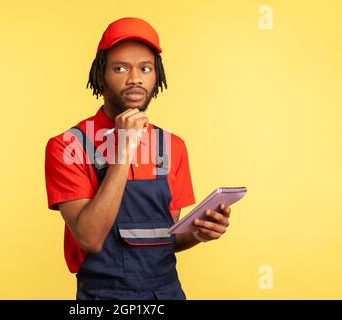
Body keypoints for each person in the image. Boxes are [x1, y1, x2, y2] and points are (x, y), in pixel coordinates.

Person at [45, 17, 232, 300]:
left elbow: (163, 238)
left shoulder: (172, 146)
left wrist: (198, 232)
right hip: (104, 297)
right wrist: (125, 148)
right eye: (120, 68)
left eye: (145, 68)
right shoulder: (68, 145)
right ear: (100, 75)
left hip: (167, 293)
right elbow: (90, 238)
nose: (135, 78)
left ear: (157, 76)